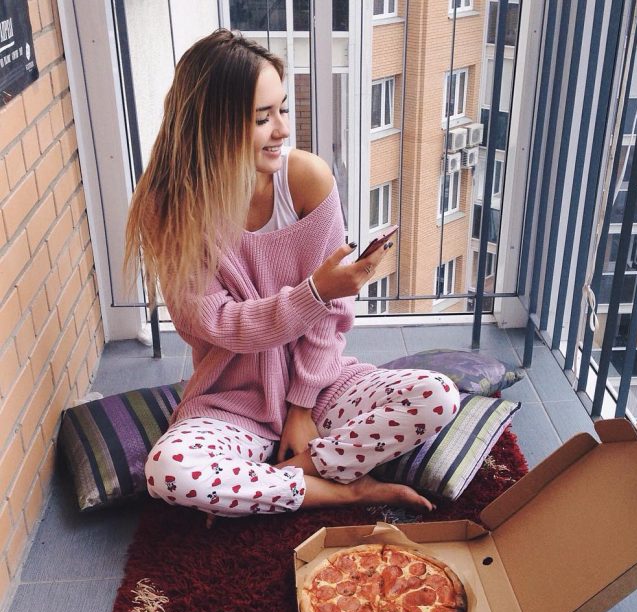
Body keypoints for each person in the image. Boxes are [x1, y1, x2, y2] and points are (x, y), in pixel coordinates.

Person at [124, 29, 459, 519]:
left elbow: (332, 317)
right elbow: (217, 324)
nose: (282, 129)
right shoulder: (168, 209)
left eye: (282, 108)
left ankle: (280, 476)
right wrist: (314, 292)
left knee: (437, 395)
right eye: (263, 118)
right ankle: (341, 489)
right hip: (234, 399)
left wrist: (301, 410)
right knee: (170, 470)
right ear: (211, 127)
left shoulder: (306, 180)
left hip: (322, 389)